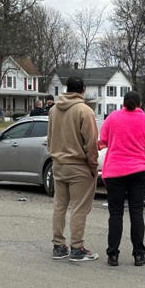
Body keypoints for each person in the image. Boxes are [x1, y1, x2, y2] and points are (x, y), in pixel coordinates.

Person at [98, 91, 145, 267]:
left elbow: (103, 140)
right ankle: (139, 255)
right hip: (139, 171)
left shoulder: (113, 118)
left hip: (115, 171)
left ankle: (113, 255)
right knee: (136, 212)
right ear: (140, 104)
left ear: (123, 103)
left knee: (115, 214)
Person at [46, 76, 99, 262]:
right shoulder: (84, 111)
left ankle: (58, 245)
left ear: (67, 89)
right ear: (83, 89)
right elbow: (91, 143)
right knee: (79, 208)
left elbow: (50, 137)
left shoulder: (53, 110)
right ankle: (77, 247)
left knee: (59, 206)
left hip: (58, 164)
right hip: (78, 165)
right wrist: (93, 165)